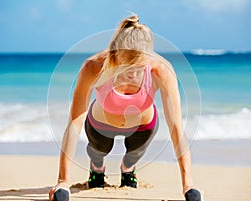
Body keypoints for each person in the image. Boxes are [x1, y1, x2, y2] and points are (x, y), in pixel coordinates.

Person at [49, 15, 201, 201]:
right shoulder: (94, 67)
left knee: (133, 155)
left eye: (138, 68)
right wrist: (63, 181)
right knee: (98, 151)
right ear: (115, 55)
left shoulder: (161, 70)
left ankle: (128, 169)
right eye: (126, 67)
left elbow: (176, 127)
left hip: (142, 127)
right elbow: (74, 122)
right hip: (100, 126)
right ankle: (97, 167)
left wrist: (188, 185)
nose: (132, 74)